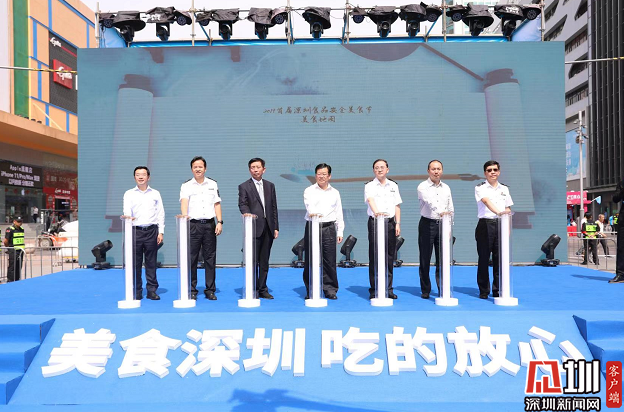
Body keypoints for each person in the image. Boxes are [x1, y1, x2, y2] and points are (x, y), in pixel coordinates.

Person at [180, 156, 223, 300]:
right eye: (195, 167)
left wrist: (219, 222)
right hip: (193, 225)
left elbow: (217, 204)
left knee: (210, 257)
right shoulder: (186, 185)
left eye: (200, 166)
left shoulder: (213, 184)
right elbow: (184, 203)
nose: (198, 169)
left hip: (210, 225)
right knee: (192, 258)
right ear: (191, 169)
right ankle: (192, 289)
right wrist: (184, 220)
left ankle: (210, 289)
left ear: (205, 168)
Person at [238, 158, 279, 299]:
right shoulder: (244, 186)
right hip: (253, 228)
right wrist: (247, 214)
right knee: (252, 261)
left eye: (258, 167)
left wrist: (275, 226)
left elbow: (274, 207)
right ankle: (252, 288)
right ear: (249, 170)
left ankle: (262, 289)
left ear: (264, 169)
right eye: (252, 167)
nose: (255, 170)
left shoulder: (270, 186)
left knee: (264, 261)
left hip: (268, 228)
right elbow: (242, 204)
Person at [122, 166, 165, 300]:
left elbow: (160, 213)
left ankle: (152, 290)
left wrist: (161, 232)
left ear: (148, 177)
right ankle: (137, 290)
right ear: (134, 177)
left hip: (152, 231)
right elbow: (126, 212)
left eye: (143, 174)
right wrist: (128, 219)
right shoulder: (129, 194)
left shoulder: (155, 193)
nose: (140, 177)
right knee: (135, 263)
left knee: (151, 263)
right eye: (137, 174)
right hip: (135, 231)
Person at [302, 163, 344, 300]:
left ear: (329, 176)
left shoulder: (335, 192)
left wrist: (340, 231)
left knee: (329, 260)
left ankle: (330, 289)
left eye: (324, 174)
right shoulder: (309, 190)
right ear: (315, 175)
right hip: (313, 226)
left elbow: (339, 212)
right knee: (310, 259)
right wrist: (316, 215)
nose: (321, 177)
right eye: (319, 174)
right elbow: (310, 207)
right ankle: (311, 289)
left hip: (329, 227)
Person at [474, 160, 513, 299]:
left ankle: (498, 289)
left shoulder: (504, 189)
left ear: (499, 172)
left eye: (495, 170)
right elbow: (486, 201)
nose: (492, 172)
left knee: (500, 259)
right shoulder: (480, 187)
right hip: (485, 224)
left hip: (501, 224)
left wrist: (507, 227)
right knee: (484, 258)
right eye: (489, 170)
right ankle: (484, 290)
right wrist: (499, 213)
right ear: (485, 173)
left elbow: (508, 208)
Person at [365, 159, 402, 300]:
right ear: (373, 170)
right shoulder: (369, 185)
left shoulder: (393, 185)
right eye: (376, 168)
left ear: (387, 169)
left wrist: (397, 223)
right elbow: (370, 200)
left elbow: (397, 205)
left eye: (382, 167)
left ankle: (388, 288)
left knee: (389, 256)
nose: (379, 170)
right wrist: (378, 213)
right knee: (375, 255)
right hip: (375, 222)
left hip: (390, 223)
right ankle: (375, 289)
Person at [417, 160, 454, 299]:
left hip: (443, 224)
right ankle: (425, 289)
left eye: (438, 169)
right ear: (428, 171)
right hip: (427, 223)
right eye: (433, 169)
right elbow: (430, 202)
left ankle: (442, 288)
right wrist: (441, 213)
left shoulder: (446, 188)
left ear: (442, 171)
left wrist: (449, 225)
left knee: (442, 258)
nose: (436, 171)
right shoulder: (422, 187)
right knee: (425, 258)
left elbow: (450, 207)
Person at [609, 181, 624, 283]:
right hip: (623, 220)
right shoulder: (622, 184)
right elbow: (615, 199)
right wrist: (622, 190)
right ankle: (621, 274)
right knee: (621, 247)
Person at [4, 216, 25, 282]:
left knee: (19, 266)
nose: (20, 223)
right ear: (14, 221)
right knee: (12, 267)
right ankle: (10, 281)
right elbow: (6, 241)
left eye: (21, 221)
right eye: (18, 221)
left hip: (20, 251)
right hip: (13, 251)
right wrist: (9, 248)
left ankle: (17, 280)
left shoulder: (22, 229)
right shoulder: (10, 229)